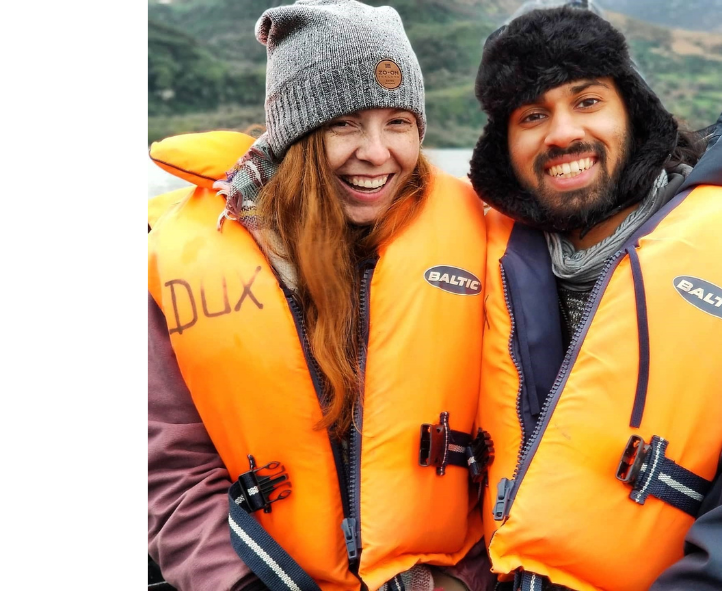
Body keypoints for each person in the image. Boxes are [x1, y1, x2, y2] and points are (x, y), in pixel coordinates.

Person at [147, 2, 497, 591]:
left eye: (399, 122)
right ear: (295, 138)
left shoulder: (481, 240)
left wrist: (464, 580)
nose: (377, 152)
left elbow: (515, 436)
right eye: (345, 123)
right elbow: (172, 471)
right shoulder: (179, 260)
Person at [467, 4, 722, 591]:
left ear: (633, 114)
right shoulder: (476, 263)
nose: (563, 133)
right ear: (504, 148)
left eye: (587, 102)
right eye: (532, 115)